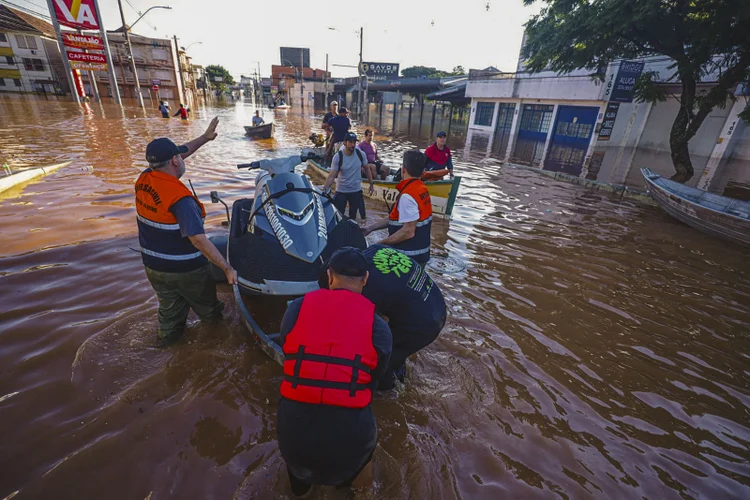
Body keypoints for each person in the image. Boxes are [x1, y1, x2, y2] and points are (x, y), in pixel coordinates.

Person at [277, 247, 392, 497]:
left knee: (297, 482)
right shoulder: (379, 327)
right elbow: (372, 384)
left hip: (294, 429)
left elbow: (290, 356)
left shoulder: (296, 309)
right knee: (363, 466)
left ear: (329, 276)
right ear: (365, 280)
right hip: (350, 436)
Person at [135, 117, 238, 345]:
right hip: (185, 270)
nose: (183, 159)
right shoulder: (180, 199)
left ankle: (166, 345)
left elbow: (181, 152)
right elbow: (199, 240)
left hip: (153, 267)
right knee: (211, 314)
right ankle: (215, 344)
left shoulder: (144, 178)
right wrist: (227, 269)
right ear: (174, 161)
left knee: (170, 314)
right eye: (179, 158)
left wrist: (204, 138)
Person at [318, 244, 446, 390]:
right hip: (436, 302)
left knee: (382, 363)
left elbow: (362, 328)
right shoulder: (375, 250)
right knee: (395, 348)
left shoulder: (367, 291)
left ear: (330, 278)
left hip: (424, 325)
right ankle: (398, 369)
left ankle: (391, 396)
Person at [363, 150, 432, 265]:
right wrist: (370, 228)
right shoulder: (421, 188)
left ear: (403, 169)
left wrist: (379, 244)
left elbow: (408, 231)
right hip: (421, 254)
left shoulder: (408, 195)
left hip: (409, 258)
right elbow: (395, 218)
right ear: (423, 171)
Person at [323, 132, 373, 220]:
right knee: (338, 217)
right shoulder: (338, 157)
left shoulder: (361, 154)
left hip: (356, 191)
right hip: (342, 190)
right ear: (345, 143)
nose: (353, 145)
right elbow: (332, 176)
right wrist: (325, 189)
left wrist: (371, 184)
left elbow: (367, 169)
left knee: (353, 218)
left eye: (354, 142)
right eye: (350, 142)